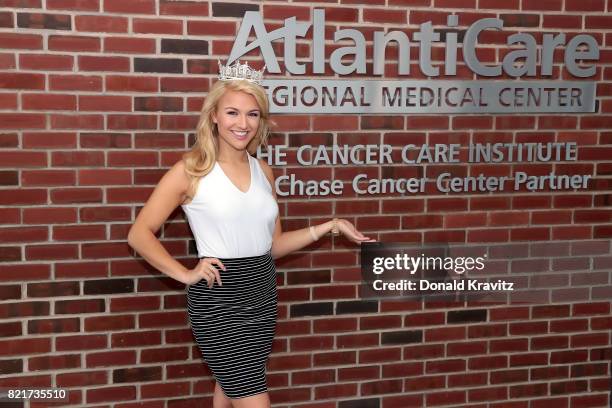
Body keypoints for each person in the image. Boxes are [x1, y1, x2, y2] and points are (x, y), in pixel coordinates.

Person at [127, 61, 372, 408]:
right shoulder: (191, 171)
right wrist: (185, 273)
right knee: (251, 396)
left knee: (230, 388)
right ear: (213, 115)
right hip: (219, 299)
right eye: (232, 112)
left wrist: (329, 227)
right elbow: (139, 234)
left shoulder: (263, 171)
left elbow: (272, 246)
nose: (242, 124)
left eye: (252, 114)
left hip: (262, 293)